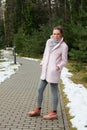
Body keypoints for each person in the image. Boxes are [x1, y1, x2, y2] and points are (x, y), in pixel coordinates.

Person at [28, 26, 68, 119]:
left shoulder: (64, 46)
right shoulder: (49, 42)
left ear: (61, 34)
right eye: (54, 34)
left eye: (58, 34)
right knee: (39, 89)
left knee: (54, 92)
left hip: (54, 72)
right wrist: (42, 62)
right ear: (52, 34)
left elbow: (64, 60)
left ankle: (53, 112)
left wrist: (58, 67)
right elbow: (45, 54)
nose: (56, 36)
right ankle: (37, 110)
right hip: (45, 70)